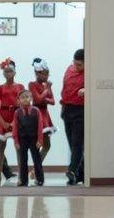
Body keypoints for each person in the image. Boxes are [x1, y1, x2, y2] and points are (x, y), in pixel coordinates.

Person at [0, 59, 24, 186]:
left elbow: (23, 104)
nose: (8, 73)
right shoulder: (0, 88)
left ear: (15, 72)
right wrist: (2, 122)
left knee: (19, 148)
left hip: (16, 116)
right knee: (0, 147)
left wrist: (15, 122)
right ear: (3, 73)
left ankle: (21, 175)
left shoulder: (20, 87)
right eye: (6, 71)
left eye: (10, 71)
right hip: (3, 117)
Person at [61, 49, 85, 185]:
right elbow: (65, 89)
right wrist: (63, 110)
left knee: (77, 143)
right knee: (72, 144)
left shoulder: (89, 73)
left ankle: (71, 171)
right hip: (67, 110)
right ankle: (79, 173)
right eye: (75, 63)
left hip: (80, 111)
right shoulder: (69, 70)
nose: (76, 67)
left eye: (79, 65)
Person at [12, 90, 44, 186]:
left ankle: (40, 179)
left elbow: (40, 126)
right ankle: (24, 180)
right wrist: (16, 141)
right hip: (22, 139)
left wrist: (40, 140)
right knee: (23, 160)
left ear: (31, 99)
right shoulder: (17, 112)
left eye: (27, 97)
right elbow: (15, 128)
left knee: (36, 159)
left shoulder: (36, 111)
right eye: (22, 97)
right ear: (19, 101)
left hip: (34, 138)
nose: (25, 99)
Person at [29, 58, 56, 165]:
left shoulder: (46, 85)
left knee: (47, 145)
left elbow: (53, 101)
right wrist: (46, 90)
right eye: (44, 74)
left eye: (48, 75)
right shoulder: (32, 84)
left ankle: (35, 169)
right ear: (37, 73)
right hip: (36, 114)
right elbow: (37, 100)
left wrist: (44, 97)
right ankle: (35, 170)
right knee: (37, 144)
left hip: (45, 116)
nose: (46, 77)